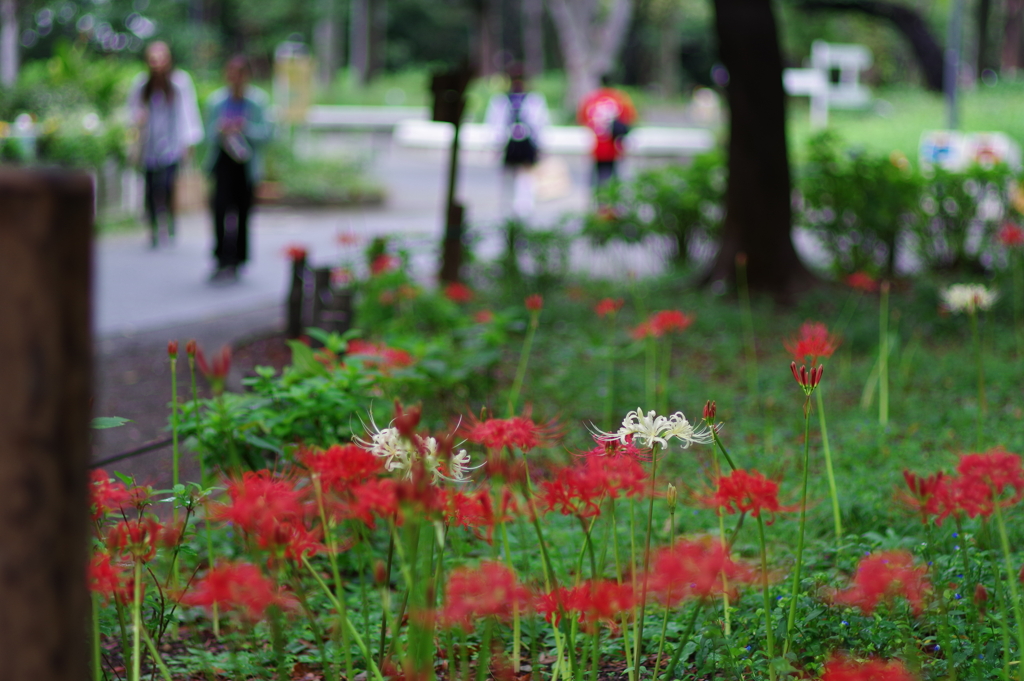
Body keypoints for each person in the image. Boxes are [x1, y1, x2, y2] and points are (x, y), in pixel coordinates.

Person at [127, 41, 204, 248]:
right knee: (151, 188)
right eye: (153, 60)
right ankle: (153, 227)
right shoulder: (142, 85)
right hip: (149, 146)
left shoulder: (180, 82)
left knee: (168, 185)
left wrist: (189, 142)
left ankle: (169, 221)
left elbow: (188, 112)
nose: (157, 64)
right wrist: (137, 123)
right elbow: (132, 113)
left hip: (172, 145)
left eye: (161, 59)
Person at [203, 55, 272, 283]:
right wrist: (222, 129)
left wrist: (246, 128)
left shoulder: (257, 102)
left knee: (242, 213)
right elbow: (208, 135)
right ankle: (221, 256)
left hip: (245, 165)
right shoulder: (216, 102)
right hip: (223, 163)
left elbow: (268, 134)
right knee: (220, 210)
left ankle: (239, 258)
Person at [484, 66, 550, 221]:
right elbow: (495, 124)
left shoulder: (533, 100)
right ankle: (508, 209)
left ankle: (524, 209)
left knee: (526, 177)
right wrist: (496, 145)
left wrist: (540, 145)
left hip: (526, 142)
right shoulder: (501, 100)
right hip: (509, 143)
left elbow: (539, 123)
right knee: (509, 177)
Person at [577, 76, 637, 188]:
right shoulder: (621, 99)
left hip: (596, 147)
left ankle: (599, 203)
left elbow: (583, 120)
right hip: (614, 147)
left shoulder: (591, 99)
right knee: (613, 181)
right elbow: (629, 121)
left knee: (596, 181)